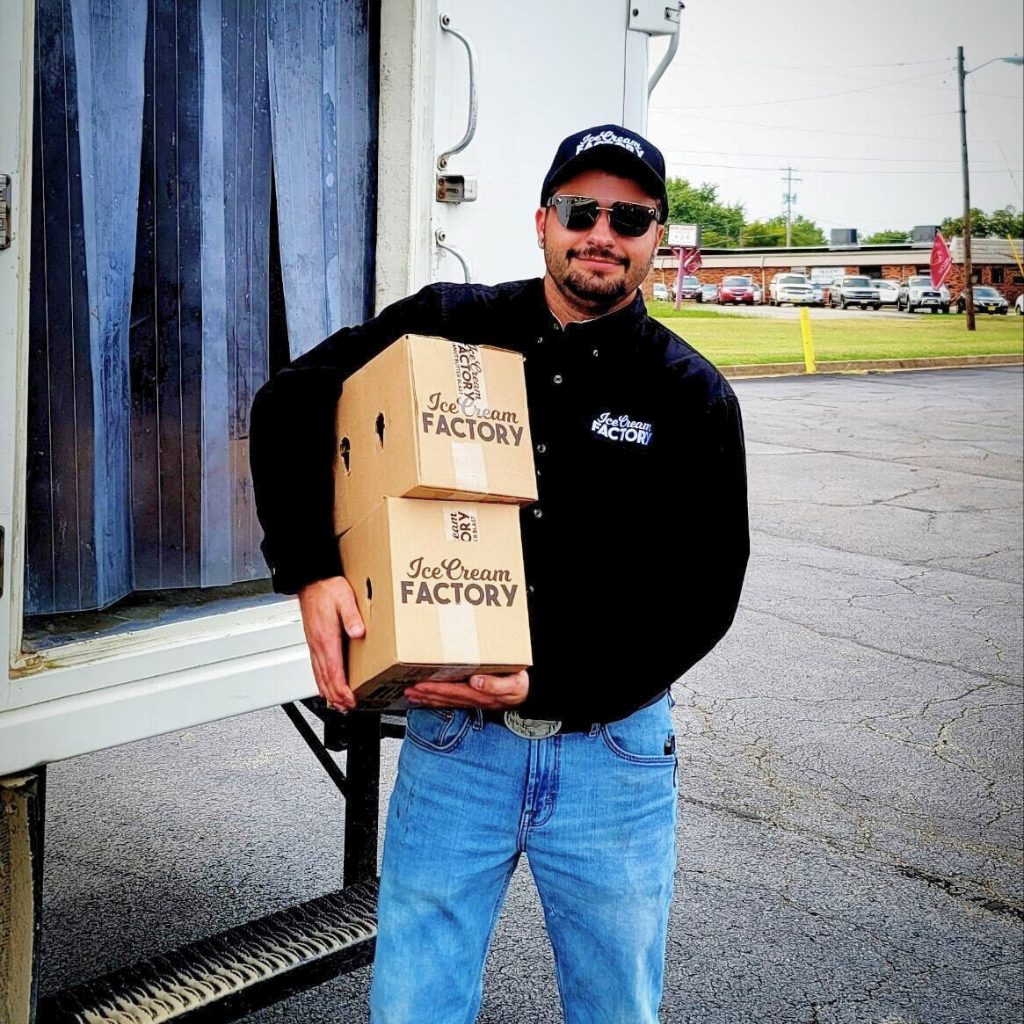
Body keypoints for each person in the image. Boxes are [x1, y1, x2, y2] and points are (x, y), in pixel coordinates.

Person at [250, 123, 749, 1024]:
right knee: (414, 1004)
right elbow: (290, 404)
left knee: (616, 1008)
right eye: (581, 209)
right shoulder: (454, 322)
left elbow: (706, 592)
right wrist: (311, 570)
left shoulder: (690, 392)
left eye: (629, 218)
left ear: (657, 243)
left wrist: (555, 678)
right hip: (456, 751)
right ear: (543, 221)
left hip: (615, 756)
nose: (602, 232)